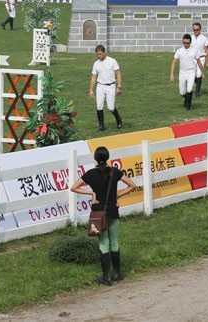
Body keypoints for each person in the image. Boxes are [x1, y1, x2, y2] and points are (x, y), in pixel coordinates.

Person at [70, 146, 137, 286]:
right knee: (114, 241)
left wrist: (91, 193)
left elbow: (73, 187)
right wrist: (118, 195)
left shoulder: (90, 174)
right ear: (107, 158)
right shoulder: (115, 171)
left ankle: (106, 276)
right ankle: (117, 273)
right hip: (113, 210)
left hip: (98, 212)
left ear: (95, 158)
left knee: (103, 242)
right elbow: (132, 185)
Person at [89, 44, 123, 131]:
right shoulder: (96, 64)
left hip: (110, 86)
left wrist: (119, 86)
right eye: (97, 54)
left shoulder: (112, 61)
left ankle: (118, 119)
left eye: (100, 54)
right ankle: (101, 125)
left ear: (104, 52)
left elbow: (118, 73)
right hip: (100, 86)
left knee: (110, 107)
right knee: (99, 105)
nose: (98, 56)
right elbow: (93, 77)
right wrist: (91, 89)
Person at [170, 34, 205, 110]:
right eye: (184, 42)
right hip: (182, 72)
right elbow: (174, 62)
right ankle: (187, 98)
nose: (185, 44)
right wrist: (171, 74)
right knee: (182, 92)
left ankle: (188, 106)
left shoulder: (194, 50)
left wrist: (202, 73)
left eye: (187, 43)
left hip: (191, 72)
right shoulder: (179, 51)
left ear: (190, 42)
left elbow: (199, 62)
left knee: (189, 89)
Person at [189, 22, 208, 98]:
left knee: (199, 74)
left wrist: (207, 62)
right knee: (193, 75)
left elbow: (207, 50)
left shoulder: (204, 39)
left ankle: (197, 92)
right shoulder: (191, 38)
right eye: (194, 30)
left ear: (200, 29)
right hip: (193, 59)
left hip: (201, 58)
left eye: (197, 30)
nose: (195, 31)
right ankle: (197, 84)